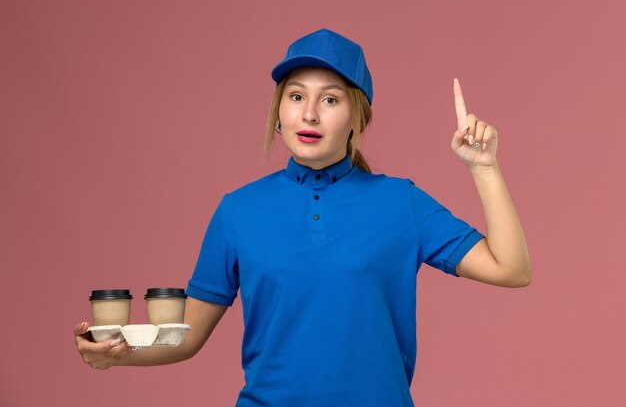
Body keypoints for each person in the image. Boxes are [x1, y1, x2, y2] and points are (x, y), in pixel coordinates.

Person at [74, 28, 531, 406]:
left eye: (330, 100)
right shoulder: (238, 210)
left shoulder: (401, 203)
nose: (309, 113)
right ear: (279, 113)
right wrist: (114, 354)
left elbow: (510, 269)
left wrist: (484, 168)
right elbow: (187, 336)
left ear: (358, 118)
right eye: (296, 97)